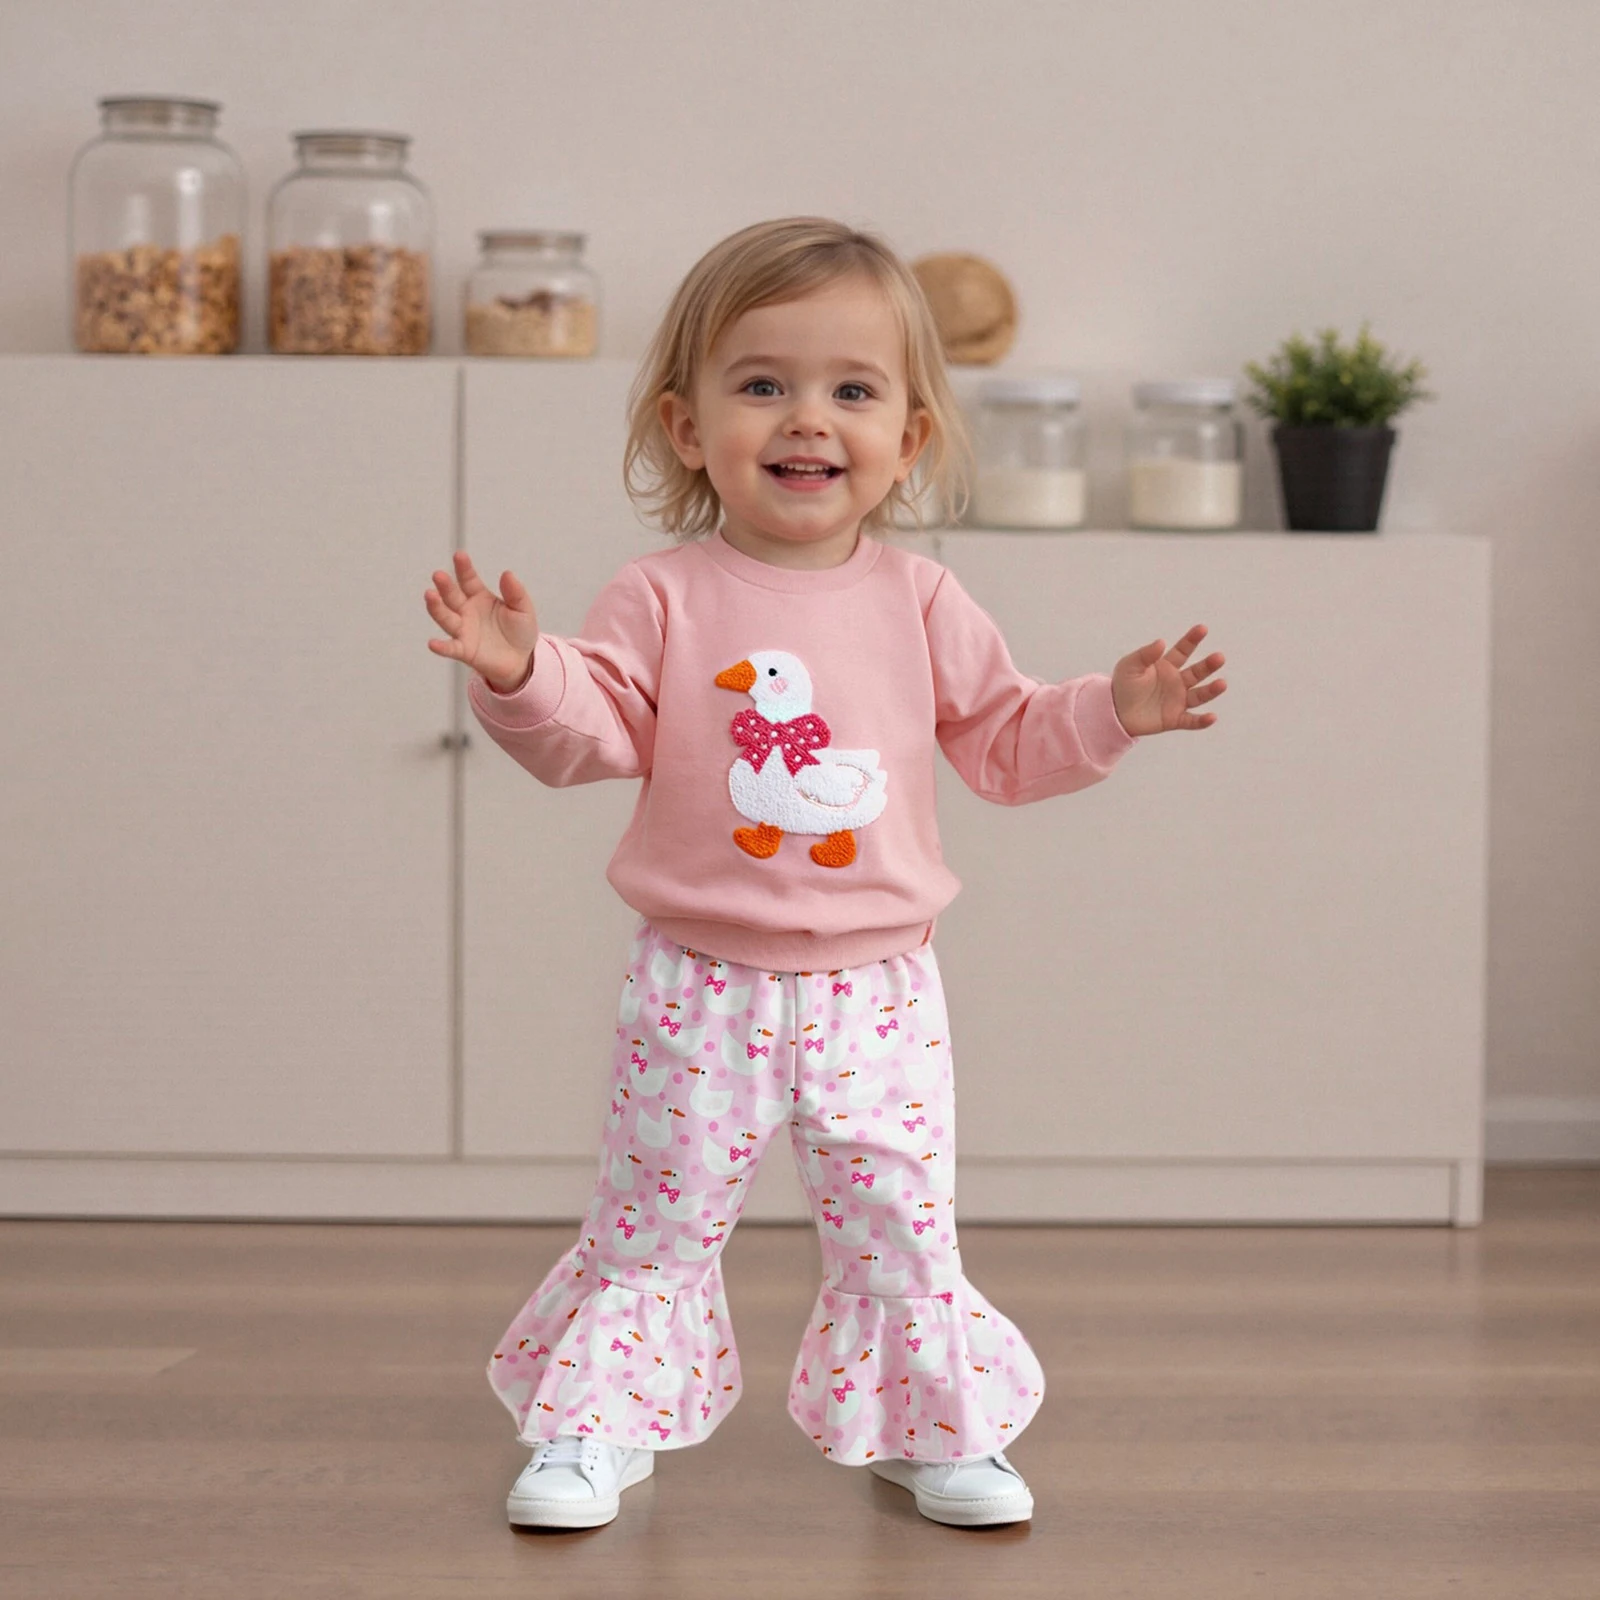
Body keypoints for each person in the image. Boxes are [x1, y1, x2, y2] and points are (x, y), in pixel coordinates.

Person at [422, 216, 1227, 1531]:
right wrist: (523, 672)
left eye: (853, 390)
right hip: (699, 983)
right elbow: (593, 733)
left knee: (900, 1223)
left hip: (880, 992)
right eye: (763, 384)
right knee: (654, 1218)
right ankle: (599, 1423)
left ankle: (931, 1428)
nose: (808, 418)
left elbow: (1008, 741)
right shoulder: (662, 595)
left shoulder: (922, 600)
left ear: (909, 438)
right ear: (687, 427)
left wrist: (1111, 711)